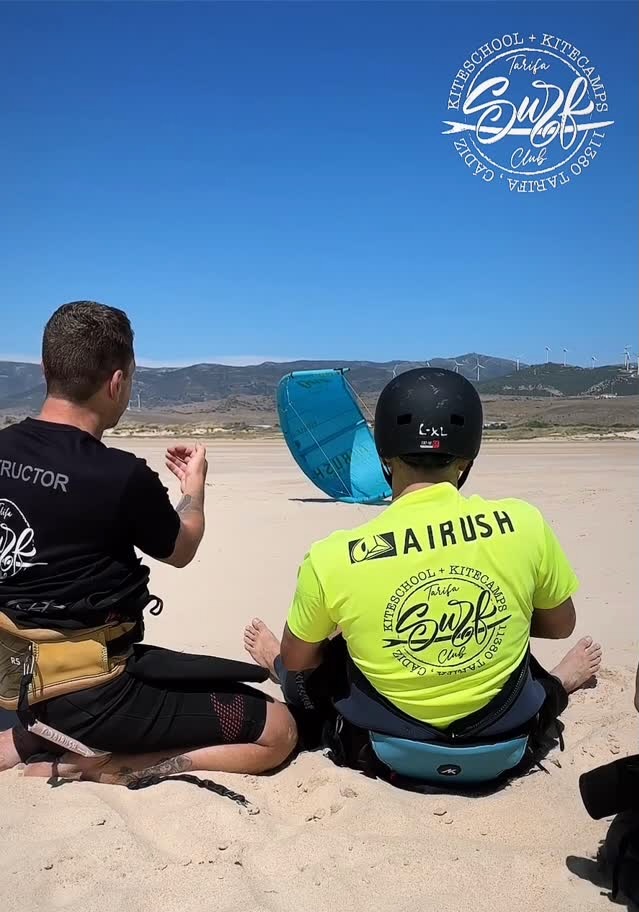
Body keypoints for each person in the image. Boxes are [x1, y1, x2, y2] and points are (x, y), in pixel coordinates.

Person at [244, 368, 602, 781]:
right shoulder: (523, 523)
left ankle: (270, 661)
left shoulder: (332, 556)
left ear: (382, 455)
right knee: (512, 645)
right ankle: (562, 681)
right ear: (467, 457)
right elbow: (561, 626)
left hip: (385, 751)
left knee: (308, 662)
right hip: (511, 741)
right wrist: (488, 619)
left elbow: (299, 658)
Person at [0, 301, 296, 786]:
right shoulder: (120, 476)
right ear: (117, 382)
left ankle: (36, 733)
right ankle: (108, 766)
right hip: (95, 693)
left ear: (45, 368)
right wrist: (194, 493)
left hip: (17, 681)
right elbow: (182, 548)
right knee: (278, 730)